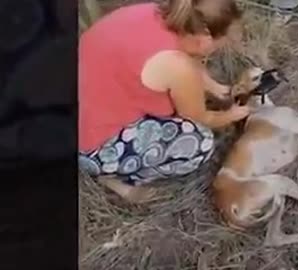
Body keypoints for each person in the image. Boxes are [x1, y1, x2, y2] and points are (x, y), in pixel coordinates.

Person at [78, 0, 249, 203]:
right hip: (91, 146)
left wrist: (216, 88)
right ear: (206, 38)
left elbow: (188, 57)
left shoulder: (156, 13)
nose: (222, 48)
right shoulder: (177, 65)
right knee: (200, 143)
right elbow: (200, 117)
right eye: (223, 42)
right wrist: (234, 115)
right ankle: (110, 176)